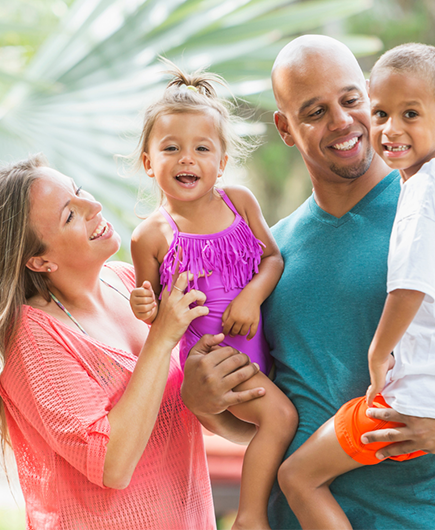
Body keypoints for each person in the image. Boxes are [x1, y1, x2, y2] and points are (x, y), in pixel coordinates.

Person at [230, 33, 435, 530]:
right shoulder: (270, 257)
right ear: (285, 128)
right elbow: (271, 416)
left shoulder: (433, 209)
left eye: (351, 101)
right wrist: (210, 409)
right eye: (314, 112)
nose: (342, 121)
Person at [0, 154, 266, 530]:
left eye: (79, 191)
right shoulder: (33, 339)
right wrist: (162, 336)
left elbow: (197, 422)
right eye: (70, 215)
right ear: (39, 262)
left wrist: (216, 404)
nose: (93, 206)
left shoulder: (128, 282)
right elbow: (112, 465)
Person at [129, 64, 298, 530]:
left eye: (202, 148)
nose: (188, 159)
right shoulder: (151, 236)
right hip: (217, 360)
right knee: (280, 419)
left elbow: (273, 260)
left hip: (259, 343)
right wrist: (144, 307)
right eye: (171, 149)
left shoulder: (239, 201)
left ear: (221, 161)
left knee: (289, 418)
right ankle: (250, 516)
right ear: (148, 162)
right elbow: (153, 311)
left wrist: (249, 298)